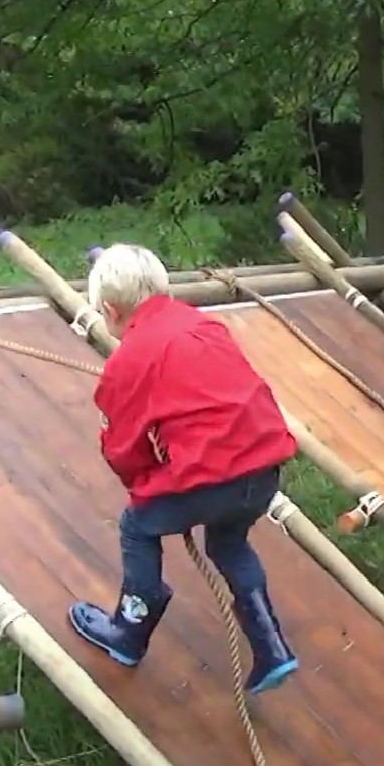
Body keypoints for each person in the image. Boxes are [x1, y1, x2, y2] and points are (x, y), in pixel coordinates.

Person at [67, 242, 301, 694]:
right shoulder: (203, 325)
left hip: (213, 476)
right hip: (265, 467)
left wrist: (147, 485)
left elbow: (123, 448)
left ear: (111, 311)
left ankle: (130, 630)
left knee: (138, 526)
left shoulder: (128, 361)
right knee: (229, 545)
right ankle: (272, 647)